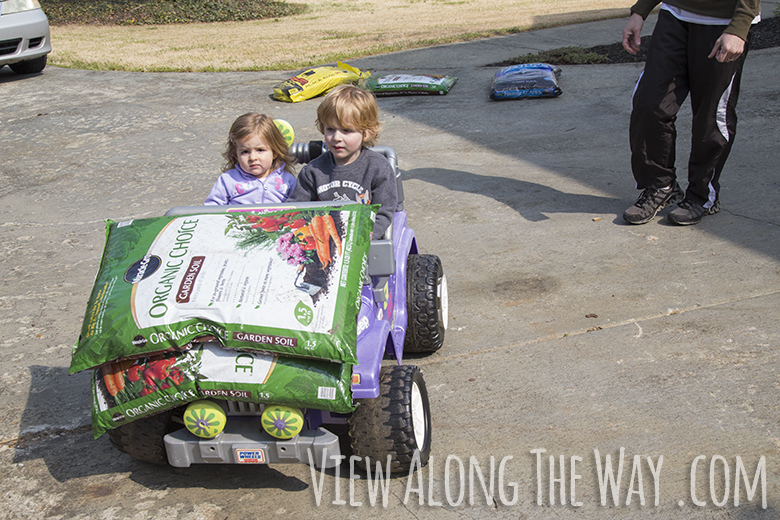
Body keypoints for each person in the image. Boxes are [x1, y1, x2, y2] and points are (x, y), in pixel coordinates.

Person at [621, 0, 761, 225]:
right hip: (674, 15)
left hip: (724, 23)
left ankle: (702, 195)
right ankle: (660, 185)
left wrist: (739, 26)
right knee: (649, 102)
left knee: (711, 114)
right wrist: (640, 11)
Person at [288, 84, 398, 238]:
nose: (336, 138)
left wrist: (365, 237)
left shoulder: (377, 168)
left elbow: (383, 213)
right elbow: (295, 208)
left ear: (366, 132)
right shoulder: (313, 170)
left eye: (346, 130)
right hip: (323, 237)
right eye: (331, 129)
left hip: (363, 240)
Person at [205, 113, 296, 205]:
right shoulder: (228, 180)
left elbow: (300, 208)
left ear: (275, 152)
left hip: (277, 219)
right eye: (245, 152)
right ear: (236, 155)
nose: (253, 157)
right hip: (240, 219)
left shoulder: (287, 180)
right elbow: (212, 209)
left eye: (260, 150)